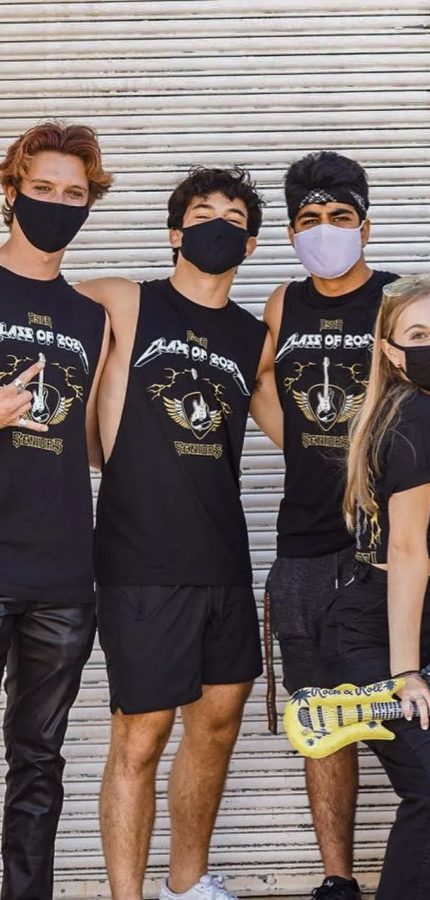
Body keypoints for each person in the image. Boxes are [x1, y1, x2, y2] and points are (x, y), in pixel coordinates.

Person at [262, 151, 430, 900]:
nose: (326, 231)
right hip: (319, 556)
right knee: (325, 728)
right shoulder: (282, 306)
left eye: (341, 217)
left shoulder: (404, 305)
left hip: (394, 566)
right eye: (309, 219)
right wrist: (301, 445)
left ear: (366, 223)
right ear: (292, 230)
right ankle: (337, 880)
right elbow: (264, 383)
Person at [78, 167, 281, 900]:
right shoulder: (123, 301)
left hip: (223, 556)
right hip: (139, 557)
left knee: (218, 722)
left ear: (251, 245)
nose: (218, 224)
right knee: (142, 733)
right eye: (203, 212)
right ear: (175, 231)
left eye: (233, 216)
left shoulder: (253, 336)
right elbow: (26, 296)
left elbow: (305, 437)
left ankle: (186, 885)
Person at [321, 273, 430, 900]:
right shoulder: (415, 413)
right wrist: (404, 674)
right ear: (391, 351)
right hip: (382, 626)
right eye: (417, 334)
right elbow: (404, 549)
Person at [0, 120, 111, 900]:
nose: (57, 205)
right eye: (42, 189)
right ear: (11, 190)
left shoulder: (90, 316)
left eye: (74, 194)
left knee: (39, 760)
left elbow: (97, 443)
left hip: (62, 573)